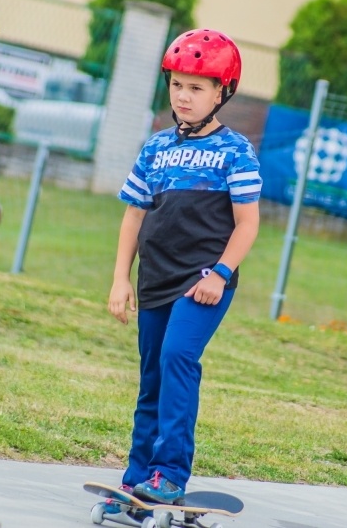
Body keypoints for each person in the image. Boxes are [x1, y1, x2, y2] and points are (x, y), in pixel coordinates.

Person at [107, 28, 262, 509]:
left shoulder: (235, 151)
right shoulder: (155, 148)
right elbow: (134, 213)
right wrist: (120, 278)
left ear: (222, 92)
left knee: (177, 358)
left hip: (201, 282)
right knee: (151, 373)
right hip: (154, 278)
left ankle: (170, 473)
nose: (184, 96)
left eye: (197, 87)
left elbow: (248, 223)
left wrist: (219, 273)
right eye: (177, 85)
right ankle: (137, 479)